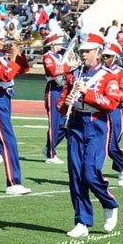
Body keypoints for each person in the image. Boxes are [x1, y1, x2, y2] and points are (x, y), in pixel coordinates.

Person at [57, 31, 120, 237]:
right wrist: (64, 104)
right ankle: (82, 221)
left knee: (90, 173)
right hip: (75, 124)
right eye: (82, 51)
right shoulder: (74, 74)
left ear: (98, 52)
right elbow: (62, 102)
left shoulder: (108, 76)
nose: (83, 54)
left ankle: (109, 203)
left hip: (96, 125)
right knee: (75, 175)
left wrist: (88, 93)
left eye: (88, 51)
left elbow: (111, 103)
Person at [0, 23, 32, 195]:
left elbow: (24, 69)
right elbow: (5, 75)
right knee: (8, 140)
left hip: (4, 98)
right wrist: (12, 57)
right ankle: (13, 182)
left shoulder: (1, 56)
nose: (3, 41)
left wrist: (18, 54)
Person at [42, 31, 77, 164]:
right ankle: (50, 155)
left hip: (62, 89)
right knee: (54, 123)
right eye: (57, 43)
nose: (60, 46)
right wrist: (68, 66)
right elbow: (54, 71)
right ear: (52, 44)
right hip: (53, 90)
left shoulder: (58, 56)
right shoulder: (48, 57)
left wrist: (72, 63)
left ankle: (49, 147)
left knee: (65, 123)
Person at [101, 40, 123, 187]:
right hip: (100, 111)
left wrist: (111, 94)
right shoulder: (99, 71)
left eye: (107, 56)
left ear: (115, 57)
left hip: (113, 111)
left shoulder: (121, 73)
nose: (104, 58)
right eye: (103, 56)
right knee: (101, 144)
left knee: (111, 145)